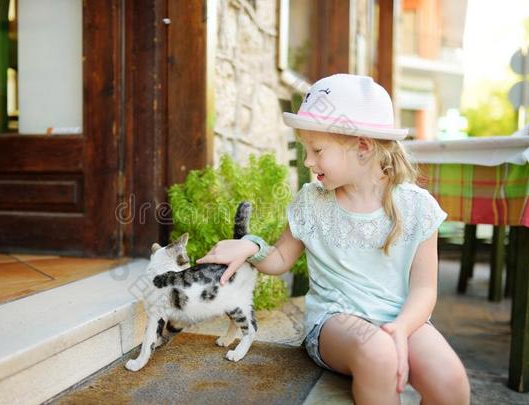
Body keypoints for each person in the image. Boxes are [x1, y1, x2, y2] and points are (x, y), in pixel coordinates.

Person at [196, 74, 470, 404]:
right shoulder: (313, 202)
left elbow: (425, 289)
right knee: (380, 353)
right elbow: (280, 258)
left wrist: (400, 328)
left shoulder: (417, 208)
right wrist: (251, 245)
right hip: (335, 321)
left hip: (401, 319)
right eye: (305, 149)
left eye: (317, 150)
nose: (309, 161)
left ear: (363, 148)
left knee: (451, 382)